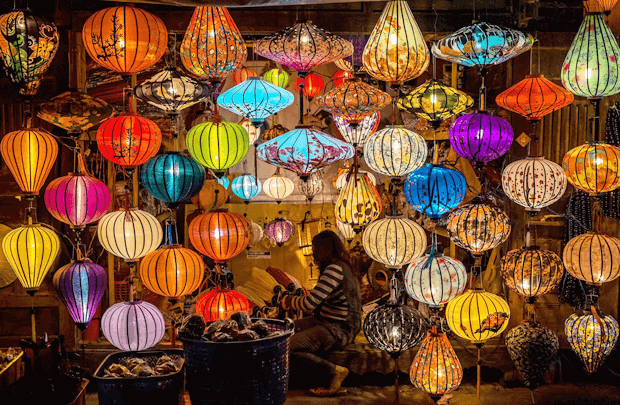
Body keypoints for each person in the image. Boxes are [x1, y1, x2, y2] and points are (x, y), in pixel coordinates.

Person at [281, 230, 361, 396]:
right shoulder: (342, 266)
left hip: (339, 329)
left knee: (286, 347)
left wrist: (288, 300)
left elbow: (309, 303)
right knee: (285, 328)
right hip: (327, 320)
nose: (313, 254)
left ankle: (335, 371)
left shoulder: (334, 269)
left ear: (324, 249)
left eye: (315, 249)